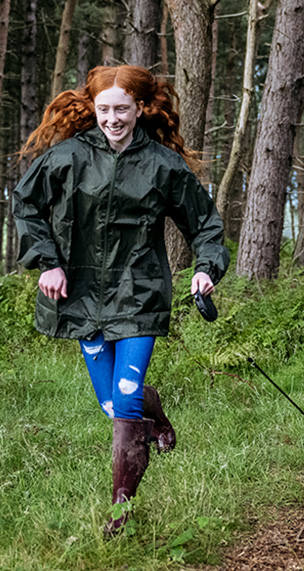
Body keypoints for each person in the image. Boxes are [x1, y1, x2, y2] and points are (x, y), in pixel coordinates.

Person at [12, 65, 230, 535]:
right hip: (80, 296)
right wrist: (46, 261)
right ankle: (153, 418)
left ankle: (120, 512)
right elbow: (25, 204)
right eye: (104, 109)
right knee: (114, 407)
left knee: (125, 397)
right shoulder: (66, 157)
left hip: (140, 293)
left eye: (122, 109)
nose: (112, 118)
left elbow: (206, 226)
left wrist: (205, 271)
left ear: (140, 109)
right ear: (93, 108)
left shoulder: (163, 166)